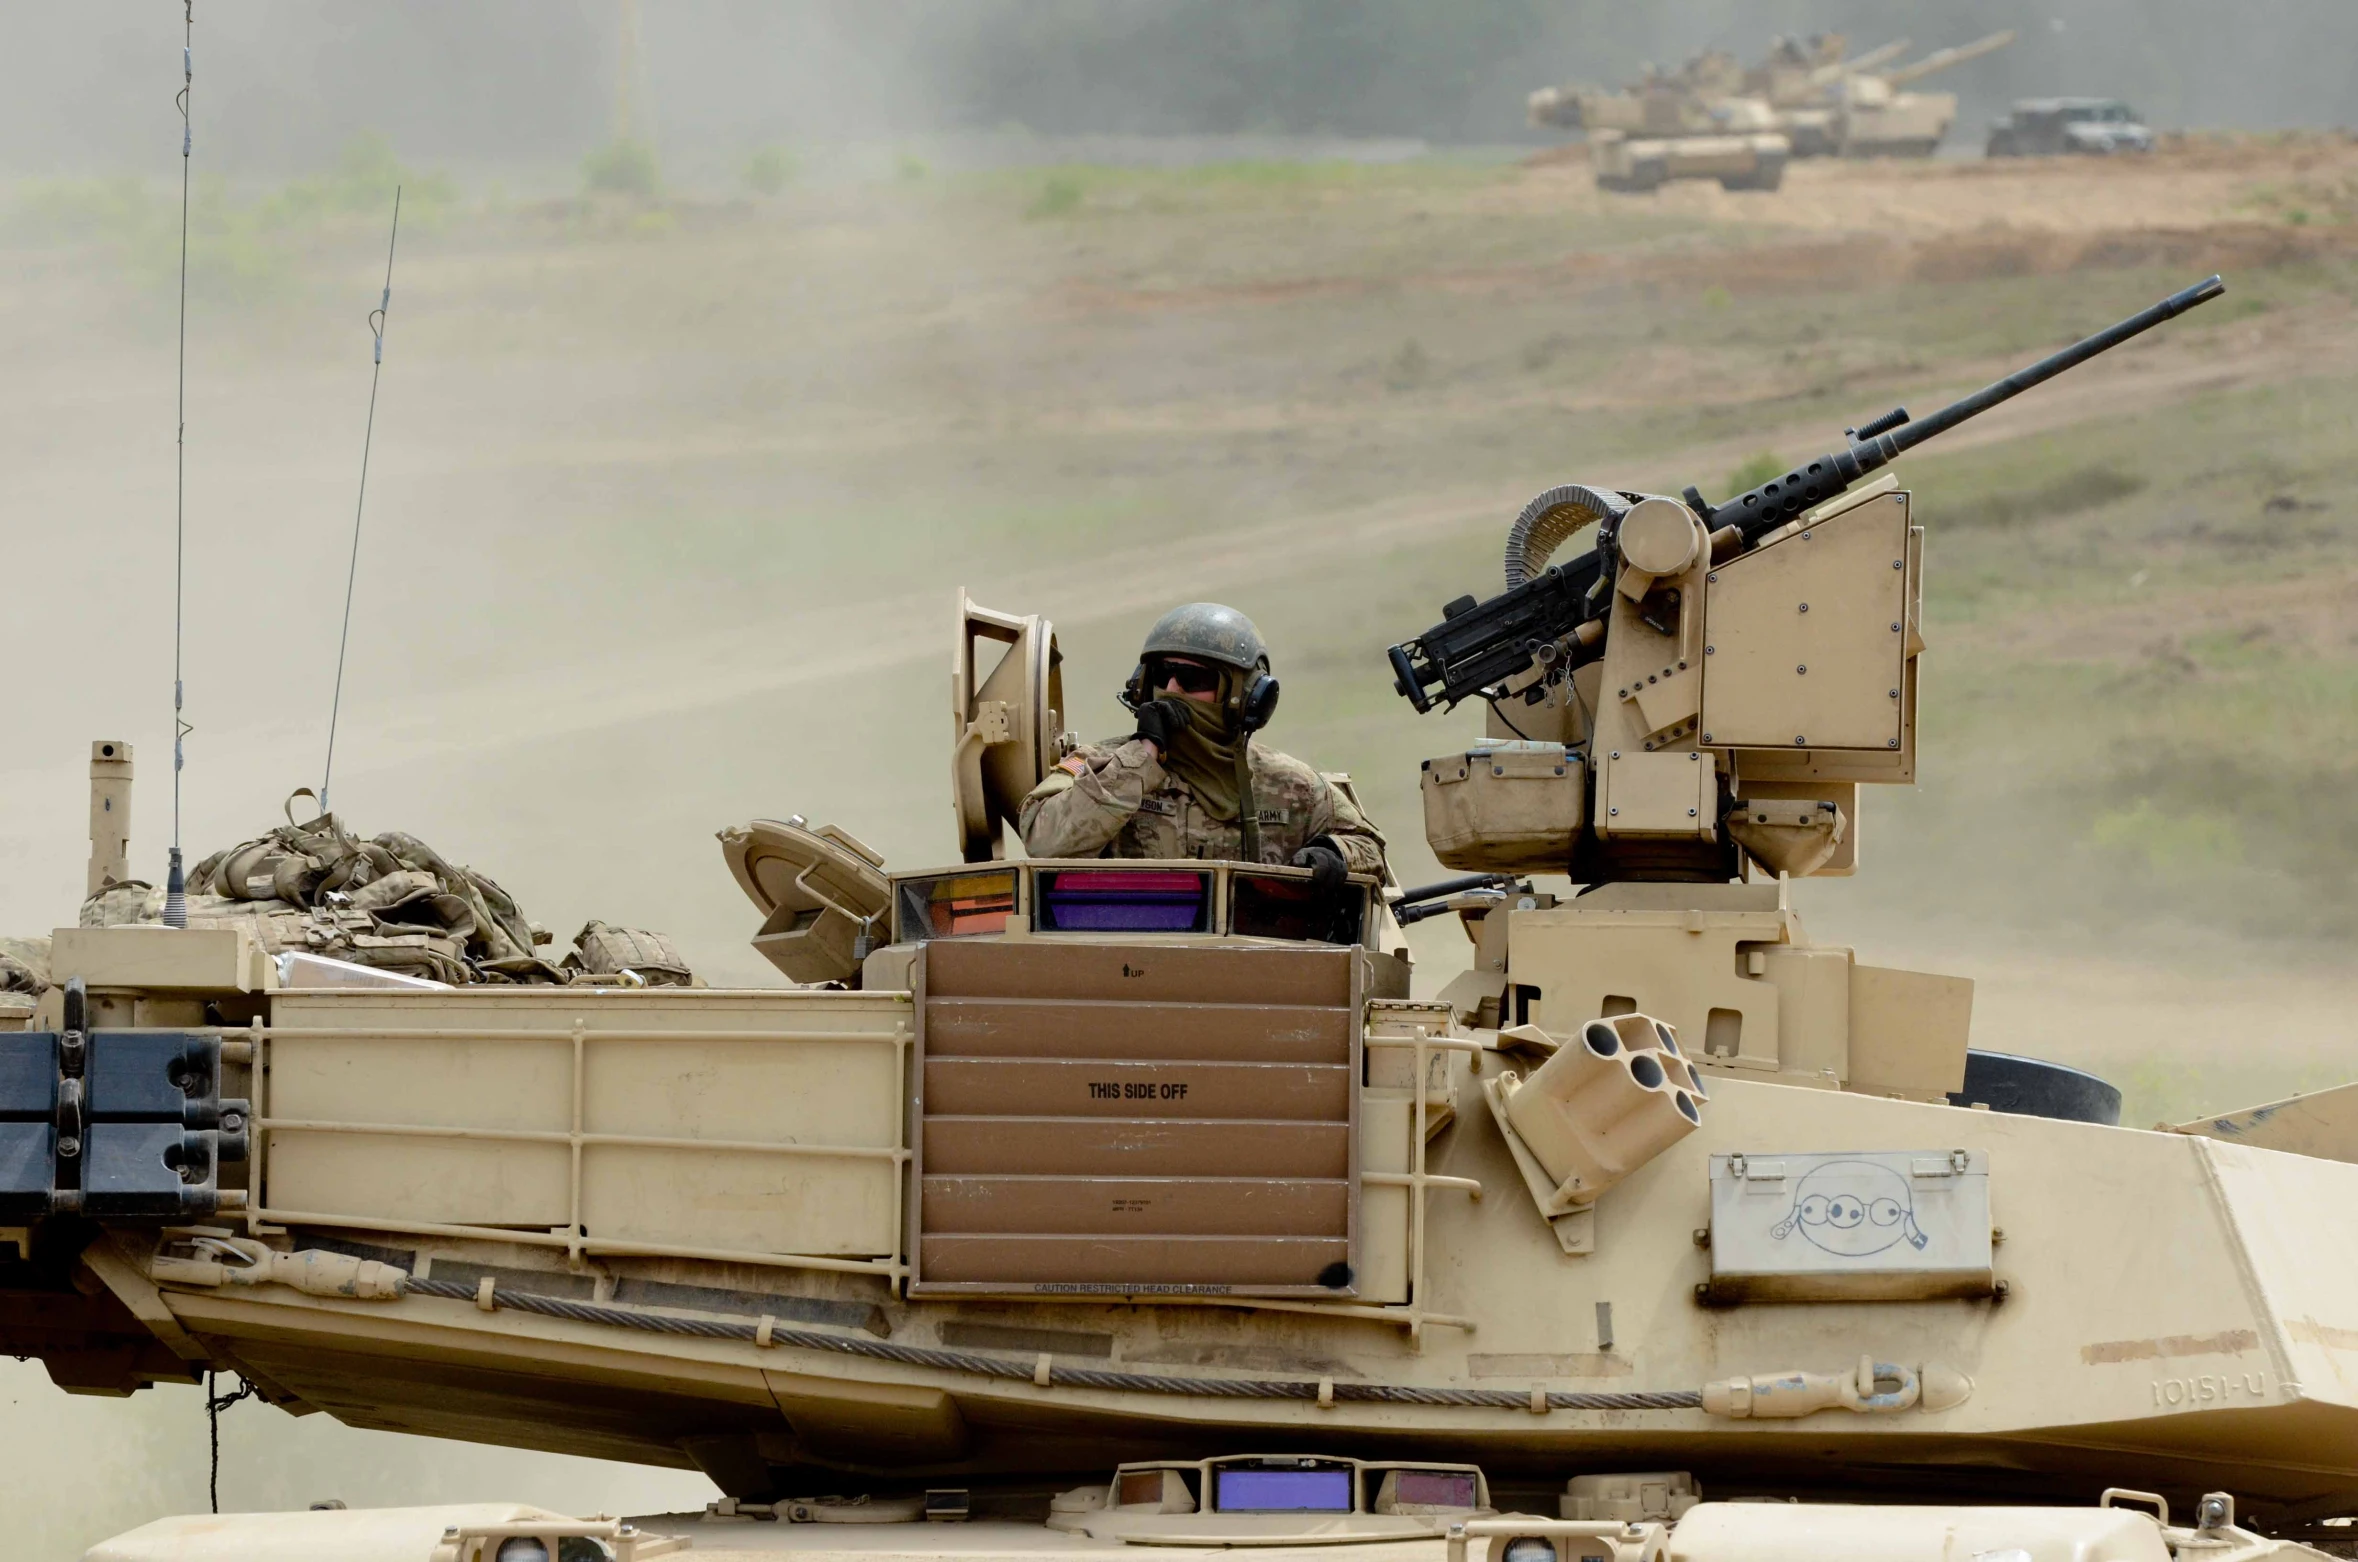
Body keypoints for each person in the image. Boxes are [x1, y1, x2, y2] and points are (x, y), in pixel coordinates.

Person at [1018, 604, 1387, 899]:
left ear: (1243, 696)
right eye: (1162, 676)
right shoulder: (1097, 764)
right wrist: (1140, 759)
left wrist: (1333, 855)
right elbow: (1043, 841)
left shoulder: (1293, 786)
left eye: (1194, 680)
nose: (1173, 690)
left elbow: (1369, 849)